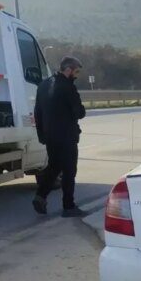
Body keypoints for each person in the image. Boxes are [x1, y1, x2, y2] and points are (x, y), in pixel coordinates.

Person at [32, 56, 86, 218]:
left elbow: (37, 113)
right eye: (76, 72)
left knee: (54, 167)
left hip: (50, 136)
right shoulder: (68, 87)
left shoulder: (43, 85)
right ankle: (68, 206)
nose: (76, 76)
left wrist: (42, 135)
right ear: (68, 69)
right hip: (67, 136)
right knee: (69, 171)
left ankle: (40, 196)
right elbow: (79, 112)